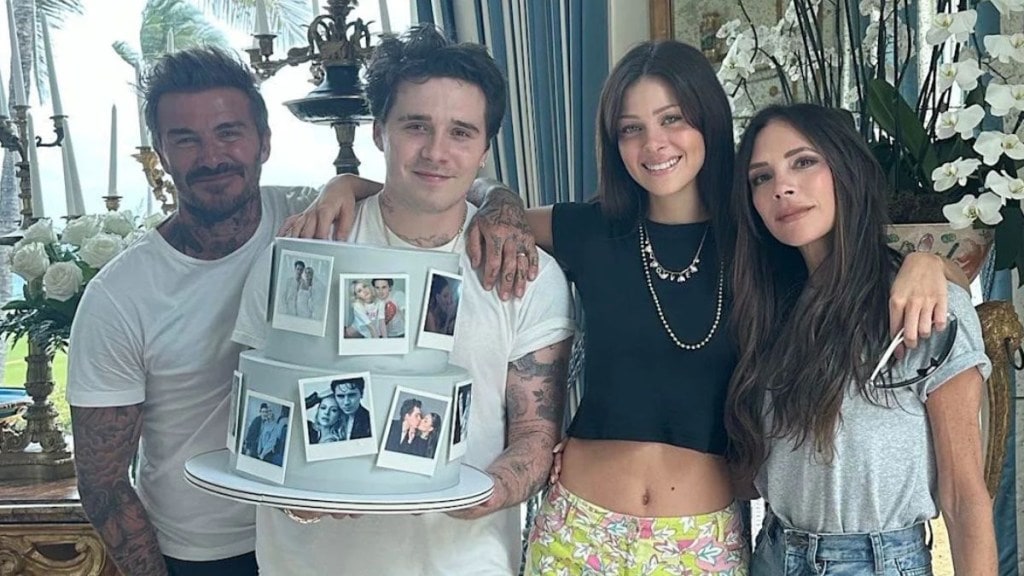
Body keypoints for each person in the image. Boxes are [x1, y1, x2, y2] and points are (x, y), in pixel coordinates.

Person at [391, 40, 962, 574]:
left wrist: (927, 262)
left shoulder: (764, 242)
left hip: (702, 542)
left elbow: (880, 260)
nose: (654, 144)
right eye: (631, 129)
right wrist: (356, 186)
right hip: (576, 530)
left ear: (707, 120)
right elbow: (452, 202)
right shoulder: (591, 230)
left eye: (672, 119)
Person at [232, 24, 574, 575]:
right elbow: (255, 402)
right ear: (378, 132)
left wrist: (479, 493)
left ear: (484, 149)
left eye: (461, 132)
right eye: (416, 125)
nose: (436, 151)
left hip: (463, 563)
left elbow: (535, 434)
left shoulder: (526, 274)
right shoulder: (305, 251)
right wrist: (296, 497)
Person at [66, 46, 353, 576]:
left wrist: (500, 204)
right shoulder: (118, 297)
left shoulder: (313, 218)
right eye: (186, 139)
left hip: (330, 538)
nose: (211, 157)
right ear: (160, 152)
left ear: (264, 141)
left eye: (228, 132)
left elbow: (437, 198)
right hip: (206, 553)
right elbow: (103, 484)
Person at [726, 104, 996, 574]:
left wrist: (931, 264)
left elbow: (964, 496)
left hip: (877, 561)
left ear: (846, 168)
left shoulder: (923, 305)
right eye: (761, 177)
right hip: (774, 551)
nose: (781, 187)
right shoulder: (769, 310)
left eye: (803, 161)